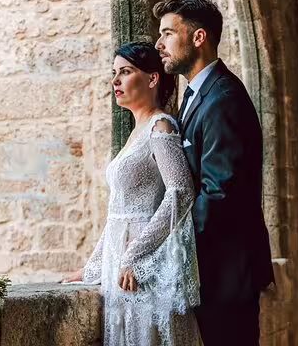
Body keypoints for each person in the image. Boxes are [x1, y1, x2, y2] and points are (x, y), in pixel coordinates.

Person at [154, 0, 274, 346]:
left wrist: (171, 242)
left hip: (226, 273)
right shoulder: (197, 93)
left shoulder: (224, 99)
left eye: (168, 34)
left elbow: (219, 193)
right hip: (214, 270)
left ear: (199, 37)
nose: (159, 44)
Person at [63, 41, 201, 346]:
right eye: (114, 73)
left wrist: (137, 255)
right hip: (120, 260)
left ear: (152, 79)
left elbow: (180, 191)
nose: (115, 81)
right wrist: (93, 266)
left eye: (125, 72)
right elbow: (117, 214)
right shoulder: (134, 134)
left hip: (143, 264)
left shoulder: (160, 127)